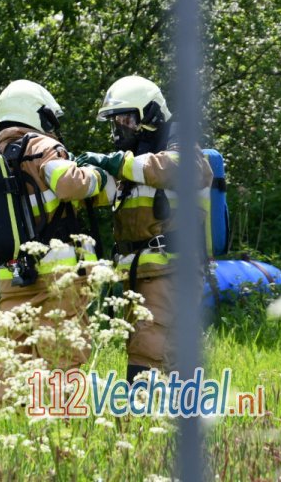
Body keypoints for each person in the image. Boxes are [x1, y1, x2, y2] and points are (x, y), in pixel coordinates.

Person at [0, 79, 116, 406]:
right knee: (63, 356)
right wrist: (98, 175)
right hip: (59, 277)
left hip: (11, 277)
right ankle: (63, 434)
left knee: (12, 362)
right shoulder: (43, 147)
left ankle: (7, 436)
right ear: (37, 113)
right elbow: (69, 184)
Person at [77, 75, 212, 383]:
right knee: (161, 352)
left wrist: (116, 163)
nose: (119, 127)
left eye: (126, 118)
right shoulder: (136, 160)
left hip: (171, 272)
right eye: (115, 121)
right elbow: (108, 192)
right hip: (142, 274)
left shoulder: (176, 146)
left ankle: (142, 421)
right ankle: (172, 420)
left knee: (149, 351)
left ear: (149, 114)